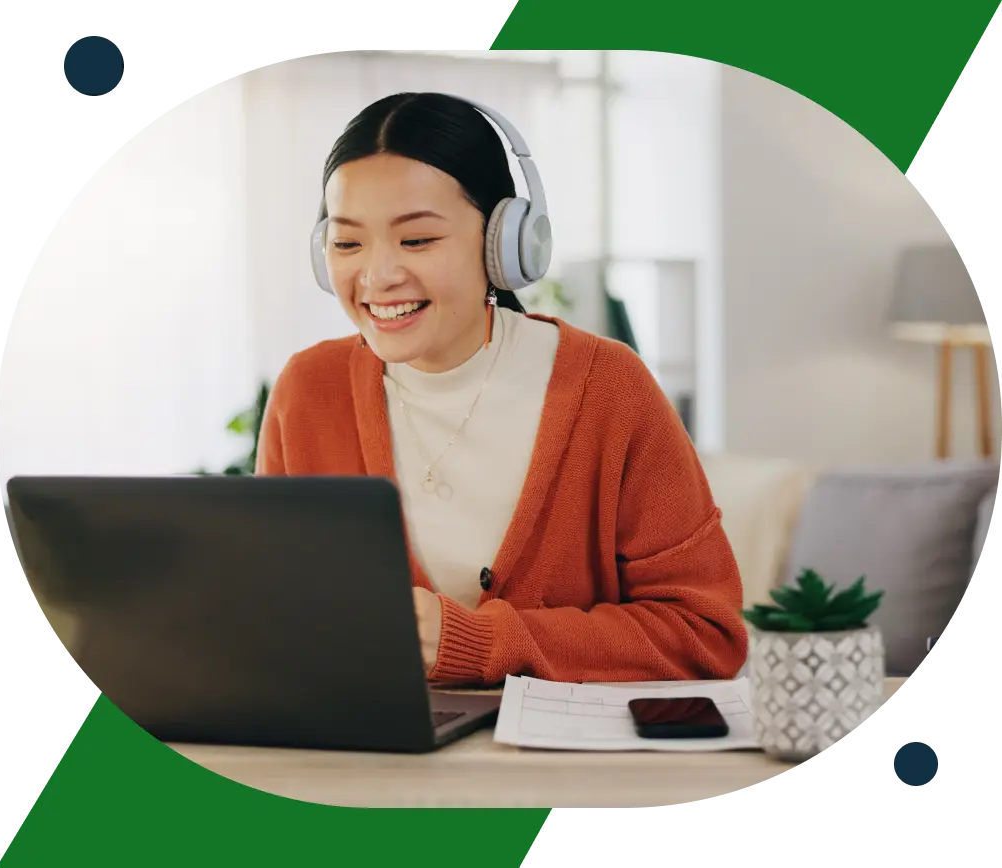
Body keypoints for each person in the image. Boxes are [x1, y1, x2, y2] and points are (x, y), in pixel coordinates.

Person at [256, 92, 747, 686]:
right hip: (367, 759)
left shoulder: (610, 389)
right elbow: (277, 617)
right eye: (347, 242)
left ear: (505, 244)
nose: (377, 277)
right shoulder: (309, 391)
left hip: (564, 769)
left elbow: (706, 634)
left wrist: (481, 642)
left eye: (417, 241)